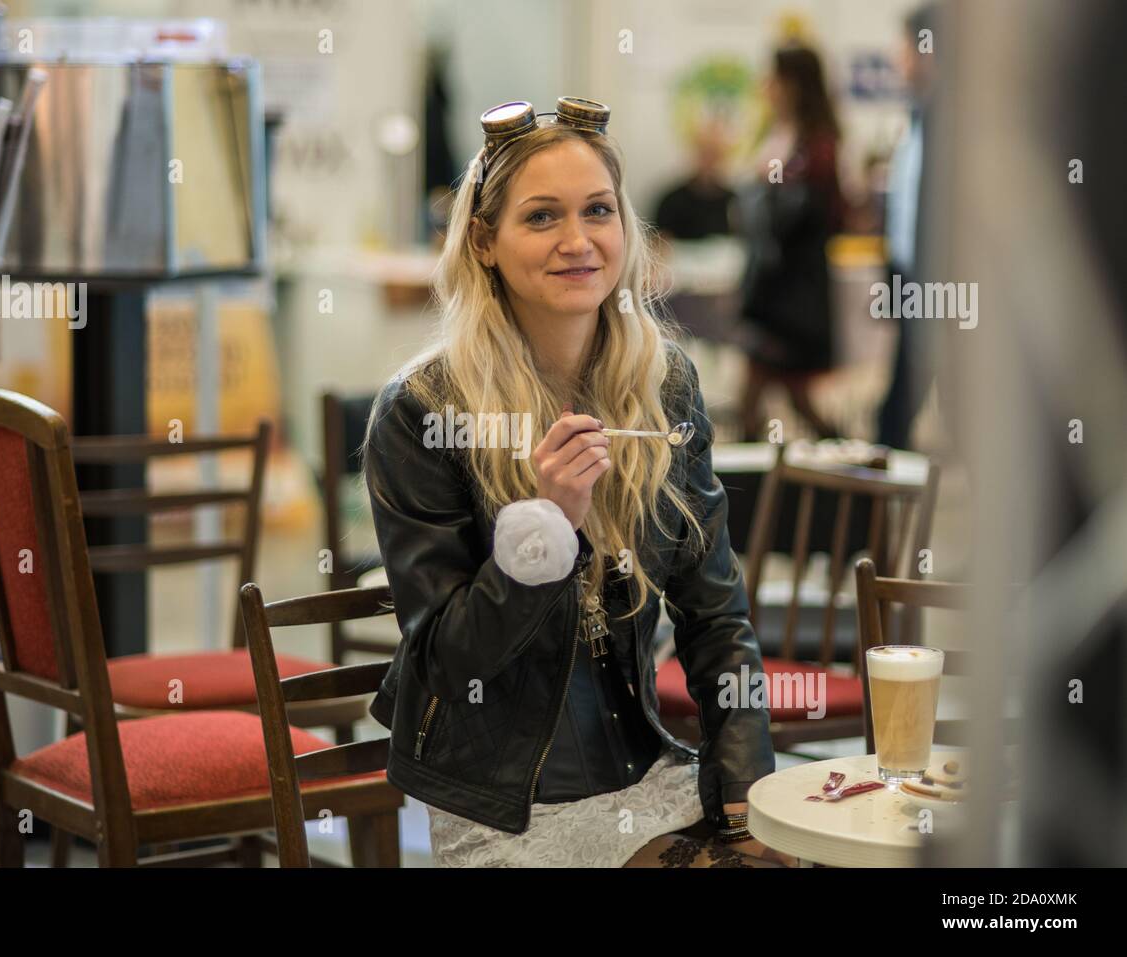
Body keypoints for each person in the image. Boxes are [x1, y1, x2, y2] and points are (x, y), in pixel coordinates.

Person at [361, 97, 793, 867]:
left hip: (647, 773)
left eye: (598, 210)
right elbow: (448, 667)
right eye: (541, 217)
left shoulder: (663, 384)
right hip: (505, 806)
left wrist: (743, 796)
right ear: (484, 241)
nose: (577, 240)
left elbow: (717, 619)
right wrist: (545, 527)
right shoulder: (423, 410)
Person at [737, 44, 845, 441]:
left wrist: (765, 193)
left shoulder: (818, 146)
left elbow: (814, 218)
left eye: (775, 78)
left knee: (772, 398)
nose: (766, 86)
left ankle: (844, 461)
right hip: (769, 290)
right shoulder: (777, 135)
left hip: (792, 295)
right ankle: (839, 458)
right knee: (778, 400)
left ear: (794, 84)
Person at [875, 4, 938, 450]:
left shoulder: (952, 121)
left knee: (906, 394)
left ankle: (886, 457)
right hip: (909, 272)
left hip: (939, 278)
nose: (900, 61)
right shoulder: (917, 115)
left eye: (906, 50)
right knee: (905, 387)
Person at [652, 120, 736, 241]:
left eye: (715, 153)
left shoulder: (734, 203)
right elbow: (658, 243)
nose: (710, 160)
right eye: (705, 152)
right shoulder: (671, 202)